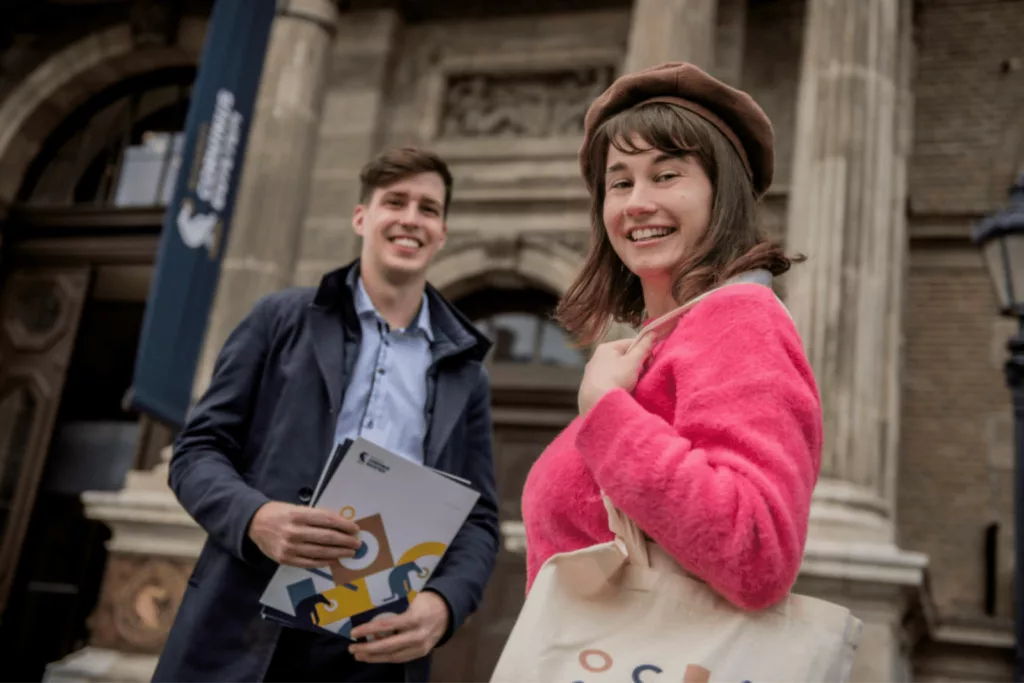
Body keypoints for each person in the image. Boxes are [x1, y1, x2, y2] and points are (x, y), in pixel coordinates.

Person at [153, 146, 499, 682]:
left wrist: (445, 604)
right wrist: (256, 518)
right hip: (244, 626)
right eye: (395, 202)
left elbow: (477, 518)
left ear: (442, 231)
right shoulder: (278, 319)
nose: (411, 219)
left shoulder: (464, 370)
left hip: (375, 647)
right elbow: (197, 451)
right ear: (362, 217)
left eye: (428, 209)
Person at [521, 62, 821, 611]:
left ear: (721, 194)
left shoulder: (740, 320)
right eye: (619, 182)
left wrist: (607, 411)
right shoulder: (667, 340)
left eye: (666, 175)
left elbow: (757, 551)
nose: (637, 202)